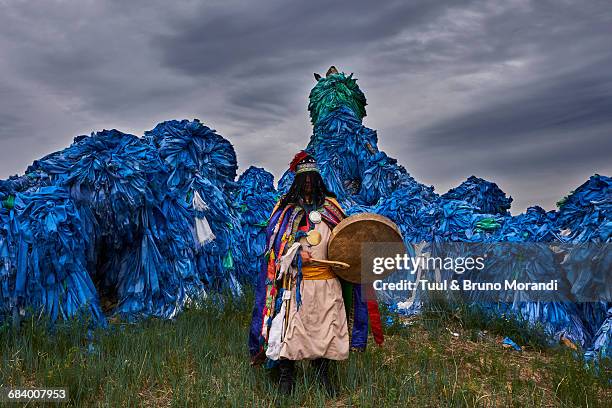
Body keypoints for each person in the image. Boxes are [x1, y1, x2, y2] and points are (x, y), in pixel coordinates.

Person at [248, 151, 351, 396]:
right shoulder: (286, 209)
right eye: (303, 180)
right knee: (291, 331)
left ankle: (323, 375)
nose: (307, 185)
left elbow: (347, 240)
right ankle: (287, 379)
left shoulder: (332, 208)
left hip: (327, 282)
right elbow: (275, 245)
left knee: (326, 330)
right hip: (297, 283)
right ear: (297, 182)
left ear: (317, 180)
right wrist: (295, 253)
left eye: (311, 180)